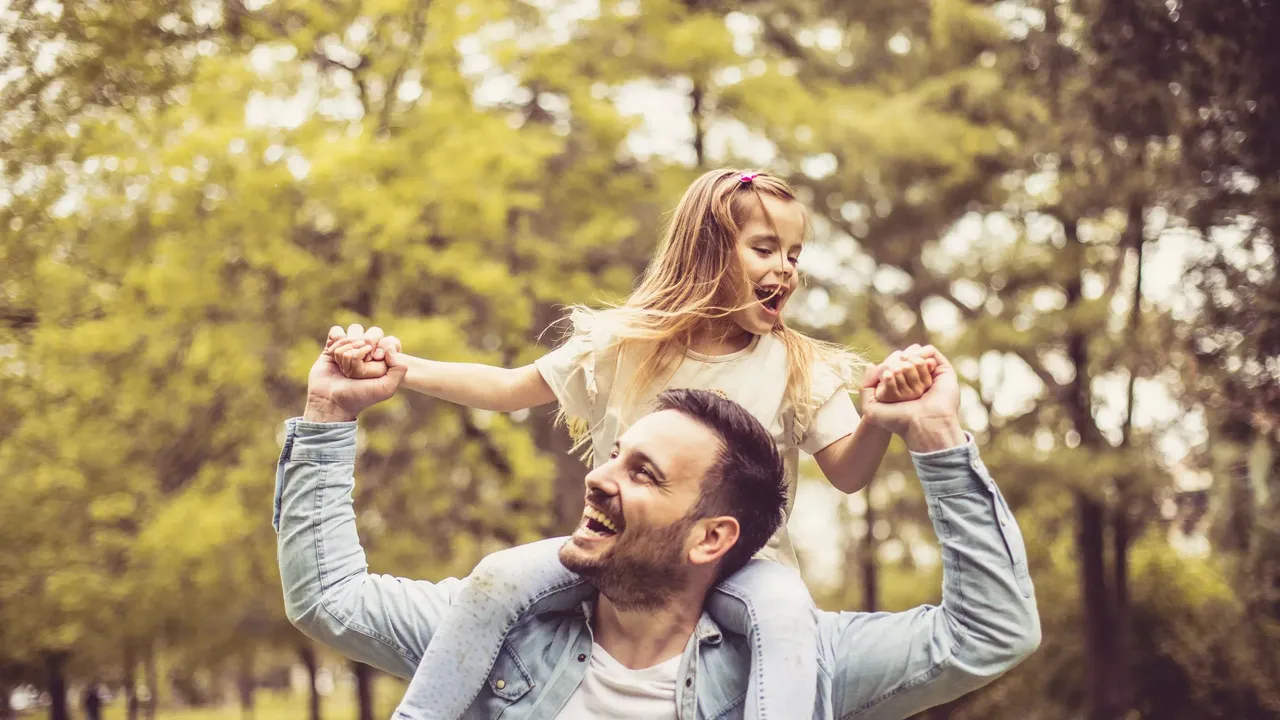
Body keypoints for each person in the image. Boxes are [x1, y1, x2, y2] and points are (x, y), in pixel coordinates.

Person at [324, 168, 938, 718]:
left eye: (795, 255)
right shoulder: (624, 346)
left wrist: (880, 420)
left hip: (747, 568)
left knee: (787, 617)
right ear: (708, 254)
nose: (786, 269)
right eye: (764, 248)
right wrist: (403, 368)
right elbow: (510, 389)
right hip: (624, 560)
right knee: (497, 578)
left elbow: (849, 473)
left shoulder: (797, 365)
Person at [276, 329, 1039, 719]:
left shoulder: (799, 663)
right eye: (616, 455)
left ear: (713, 538)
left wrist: (936, 439)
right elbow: (329, 600)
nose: (598, 476)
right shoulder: (494, 632)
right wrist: (329, 415)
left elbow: (988, 634)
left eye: (642, 474)